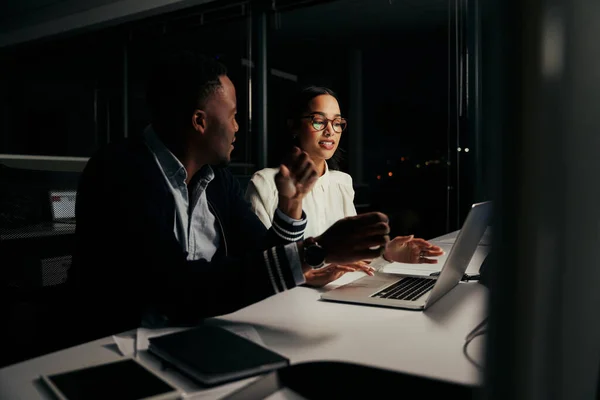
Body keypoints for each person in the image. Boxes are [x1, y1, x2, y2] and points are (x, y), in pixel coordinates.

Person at [69, 53, 391, 341]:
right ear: (199, 121)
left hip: (203, 330)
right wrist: (317, 250)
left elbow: (259, 254)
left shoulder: (217, 178)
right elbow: (177, 290)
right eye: (234, 115)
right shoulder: (122, 172)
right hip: (125, 345)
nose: (239, 127)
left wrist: (291, 204)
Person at [245, 86, 444, 287]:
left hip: (339, 293)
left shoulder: (342, 182)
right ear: (294, 126)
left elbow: (351, 258)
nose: (330, 130)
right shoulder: (265, 182)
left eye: (337, 122)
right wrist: (306, 277)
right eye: (319, 121)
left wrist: (386, 253)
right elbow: (258, 267)